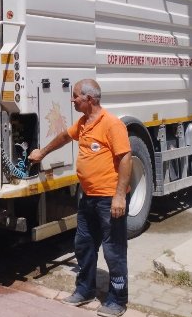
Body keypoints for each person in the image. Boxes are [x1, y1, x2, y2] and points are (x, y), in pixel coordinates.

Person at [28, 79, 132, 317]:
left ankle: (118, 300)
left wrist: (119, 197)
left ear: (89, 99)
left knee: (114, 251)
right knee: (83, 245)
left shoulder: (112, 125)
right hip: (89, 198)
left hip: (108, 200)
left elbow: (126, 159)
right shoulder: (84, 123)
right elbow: (65, 136)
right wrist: (42, 152)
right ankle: (84, 290)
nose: (72, 100)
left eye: (75, 96)